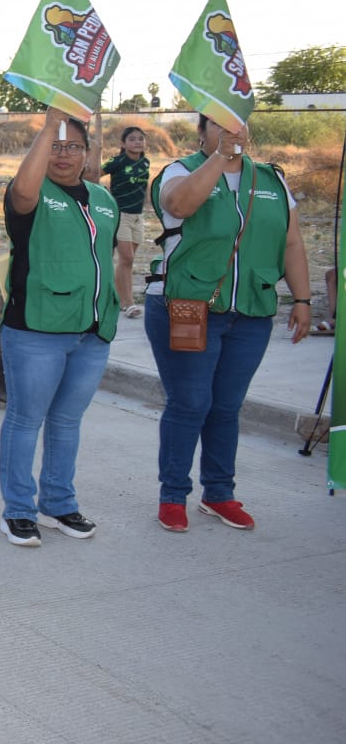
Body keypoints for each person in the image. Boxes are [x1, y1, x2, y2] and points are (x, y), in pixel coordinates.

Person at [144, 114, 311, 532]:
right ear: (201, 132)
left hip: (251, 312)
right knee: (190, 403)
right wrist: (220, 157)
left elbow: (291, 241)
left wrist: (303, 299)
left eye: (238, 123)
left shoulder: (272, 180)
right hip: (188, 307)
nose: (232, 131)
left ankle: (218, 493)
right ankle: (173, 496)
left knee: (226, 407)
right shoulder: (179, 172)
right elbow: (179, 206)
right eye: (219, 124)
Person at [0, 112, 118, 546]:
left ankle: (58, 503)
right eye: (54, 146)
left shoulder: (103, 200)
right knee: (25, 420)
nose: (63, 154)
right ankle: (18, 510)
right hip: (37, 331)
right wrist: (50, 125)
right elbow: (22, 193)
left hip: (92, 333)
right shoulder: (31, 193)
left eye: (72, 147)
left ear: (87, 153)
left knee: (67, 421)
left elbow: (107, 258)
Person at [98, 121, 151, 318]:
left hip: (138, 216)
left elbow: (143, 188)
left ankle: (118, 296)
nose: (137, 142)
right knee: (126, 258)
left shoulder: (145, 162)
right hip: (121, 215)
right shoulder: (117, 162)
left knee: (128, 261)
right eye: (132, 139)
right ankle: (128, 303)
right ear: (123, 143)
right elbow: (94, 175)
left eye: (140, 139)